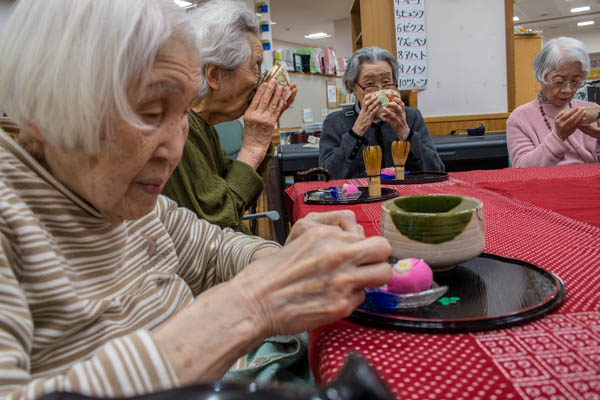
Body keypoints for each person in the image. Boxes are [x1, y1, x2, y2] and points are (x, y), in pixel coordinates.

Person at [0, 1, 392, 398]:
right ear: (51, 104)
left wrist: (293, 258)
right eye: (151, 113)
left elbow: (214, 249)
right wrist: (249, 306)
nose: (173, 147)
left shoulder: (125, 196)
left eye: (185, 112)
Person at [162, 0, 297, 234]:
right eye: (255, 68)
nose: (262, 81)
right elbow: (217, 222)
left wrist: (261, 140)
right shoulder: (178, 129)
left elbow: (238, 193)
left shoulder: (205, 126)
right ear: (215, 75)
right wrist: (254, 145)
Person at [319, 46, 444, 179]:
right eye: (370, 84)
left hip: (405, 195)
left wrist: (405, 133)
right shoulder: (336, 121)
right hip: (359, 197)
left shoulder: (411, 117)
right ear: (353, 88)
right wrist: (356, 132)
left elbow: (436, 170)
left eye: (386, 82)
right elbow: (326, 177)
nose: (380, 91)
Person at [507, 37, 600, 167]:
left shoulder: (592, 111)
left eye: (576, 81)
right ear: (542, 76)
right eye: (559, 81)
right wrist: (557, 136)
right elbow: (522, 169)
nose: (568, 90)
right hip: (547, 186)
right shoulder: (520, 118)